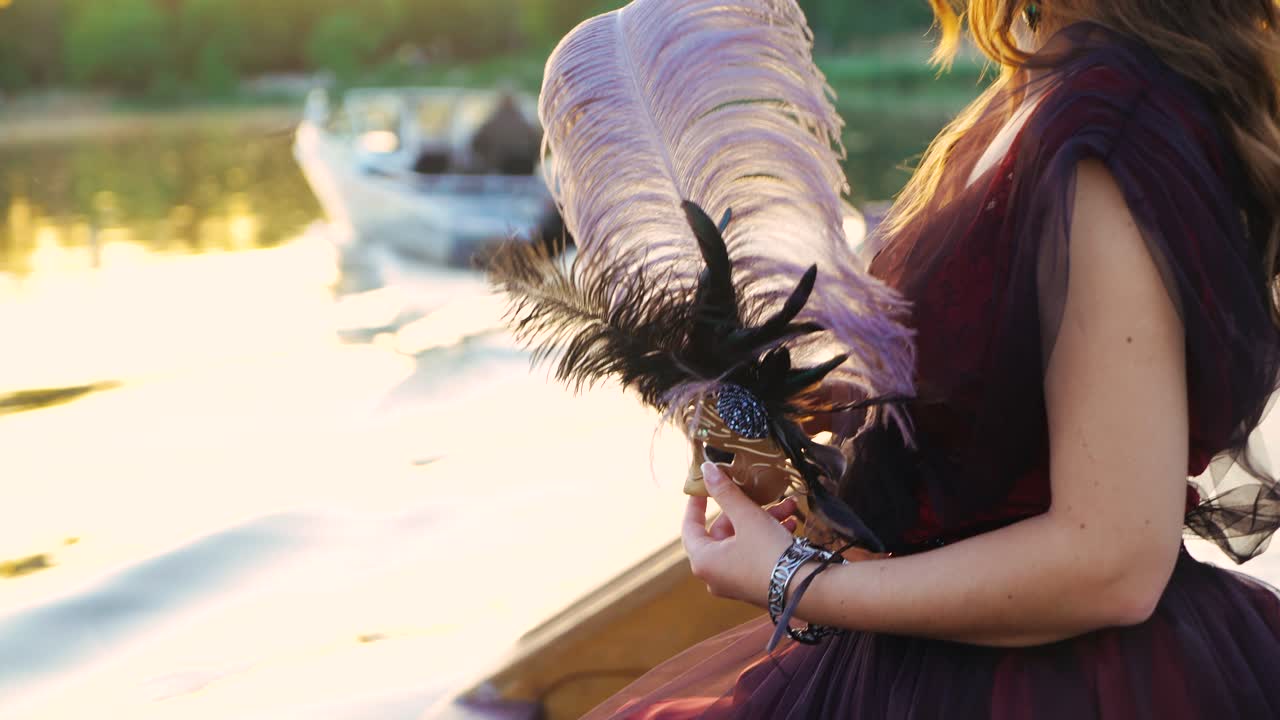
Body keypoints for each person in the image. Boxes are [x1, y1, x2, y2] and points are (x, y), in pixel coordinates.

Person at [584, 2, 1280, 718]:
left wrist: (795, 580)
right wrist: (820, 409)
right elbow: (1002, 411)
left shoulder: (1107, 130)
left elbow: (1115, 560)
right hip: (924, 668)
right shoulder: (1034, 95)